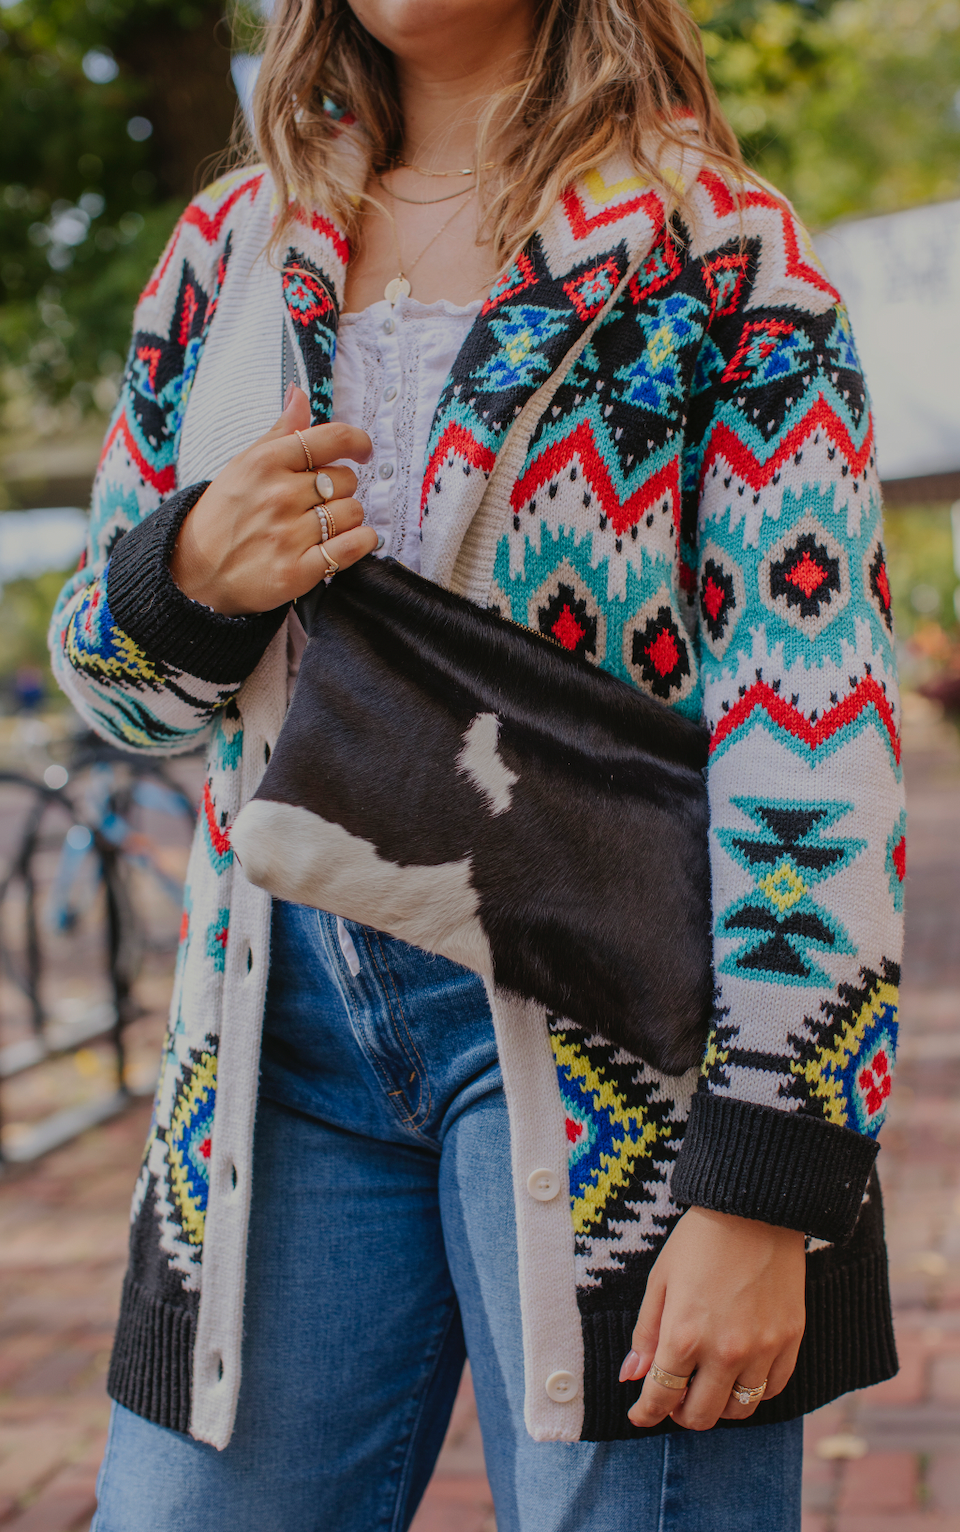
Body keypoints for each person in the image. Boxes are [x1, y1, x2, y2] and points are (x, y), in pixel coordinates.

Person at [51, 1, 905, 1527]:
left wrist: (770, 1171)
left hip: (622, 1053)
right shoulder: (230, 250)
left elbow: (814, 723)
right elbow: (121, 699)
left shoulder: (724, 257)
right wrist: (182, 572)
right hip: (272, 1035)